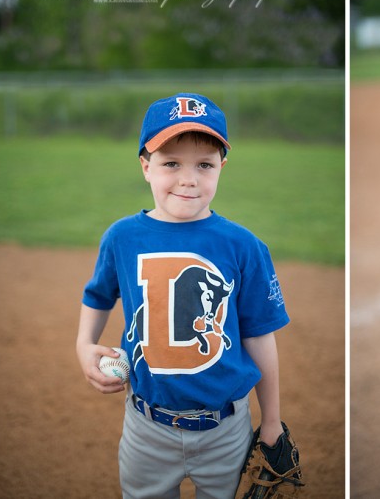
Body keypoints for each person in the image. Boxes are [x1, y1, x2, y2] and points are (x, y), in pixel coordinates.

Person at [76, 93, 291, 498]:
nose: (189, 179)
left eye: (204, 165)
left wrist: (273, 421)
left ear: (222, 168)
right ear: (146, 167)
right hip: (146, 427)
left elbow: (259, 334)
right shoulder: (122, 237)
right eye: (171, 163)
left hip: (227, 430)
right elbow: (99, 294)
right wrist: (83, 344)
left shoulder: (243, 246)